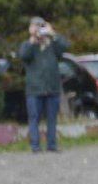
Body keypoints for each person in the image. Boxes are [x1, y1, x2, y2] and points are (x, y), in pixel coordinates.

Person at [17, 17, 69, 153]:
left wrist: (53, 34)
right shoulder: (27, 45)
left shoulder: (52, 45)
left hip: (52, 87)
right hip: (35, 89)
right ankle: (35, 146)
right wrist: (33, 41)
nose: (39, 29)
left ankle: (52, 145)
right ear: (30, 29)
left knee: (52, 118)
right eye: (36, 26)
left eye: (42, 26)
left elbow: (65, 47)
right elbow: (23, 55)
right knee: (34, 118)